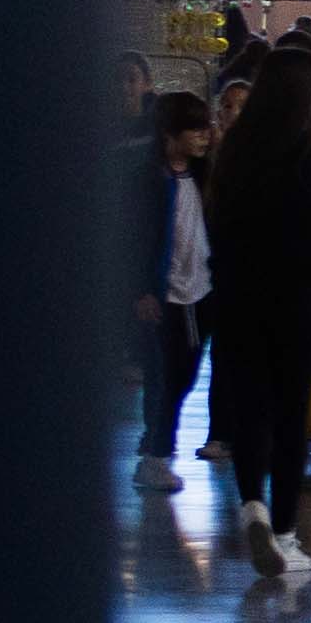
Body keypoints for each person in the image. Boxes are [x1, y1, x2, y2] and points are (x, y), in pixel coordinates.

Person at [203, 49, 311, 578]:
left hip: (236, 296)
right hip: (296, 298)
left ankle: (251, 503)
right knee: (290, 414)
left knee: (250, 408)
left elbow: (218, 224)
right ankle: (284, 531)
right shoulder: (310, 157)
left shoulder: (234, 149)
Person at [132, 92, 213, 497]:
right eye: (195, 129)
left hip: (198, 293)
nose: (204, 136)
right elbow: (136, 240)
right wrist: (143, 289)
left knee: (184, 373)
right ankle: (157, 455)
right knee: (163, 376)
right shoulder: (148, 181)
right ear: (170, 134)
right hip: (164, 296)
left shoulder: (202, 176)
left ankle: (155, 444)